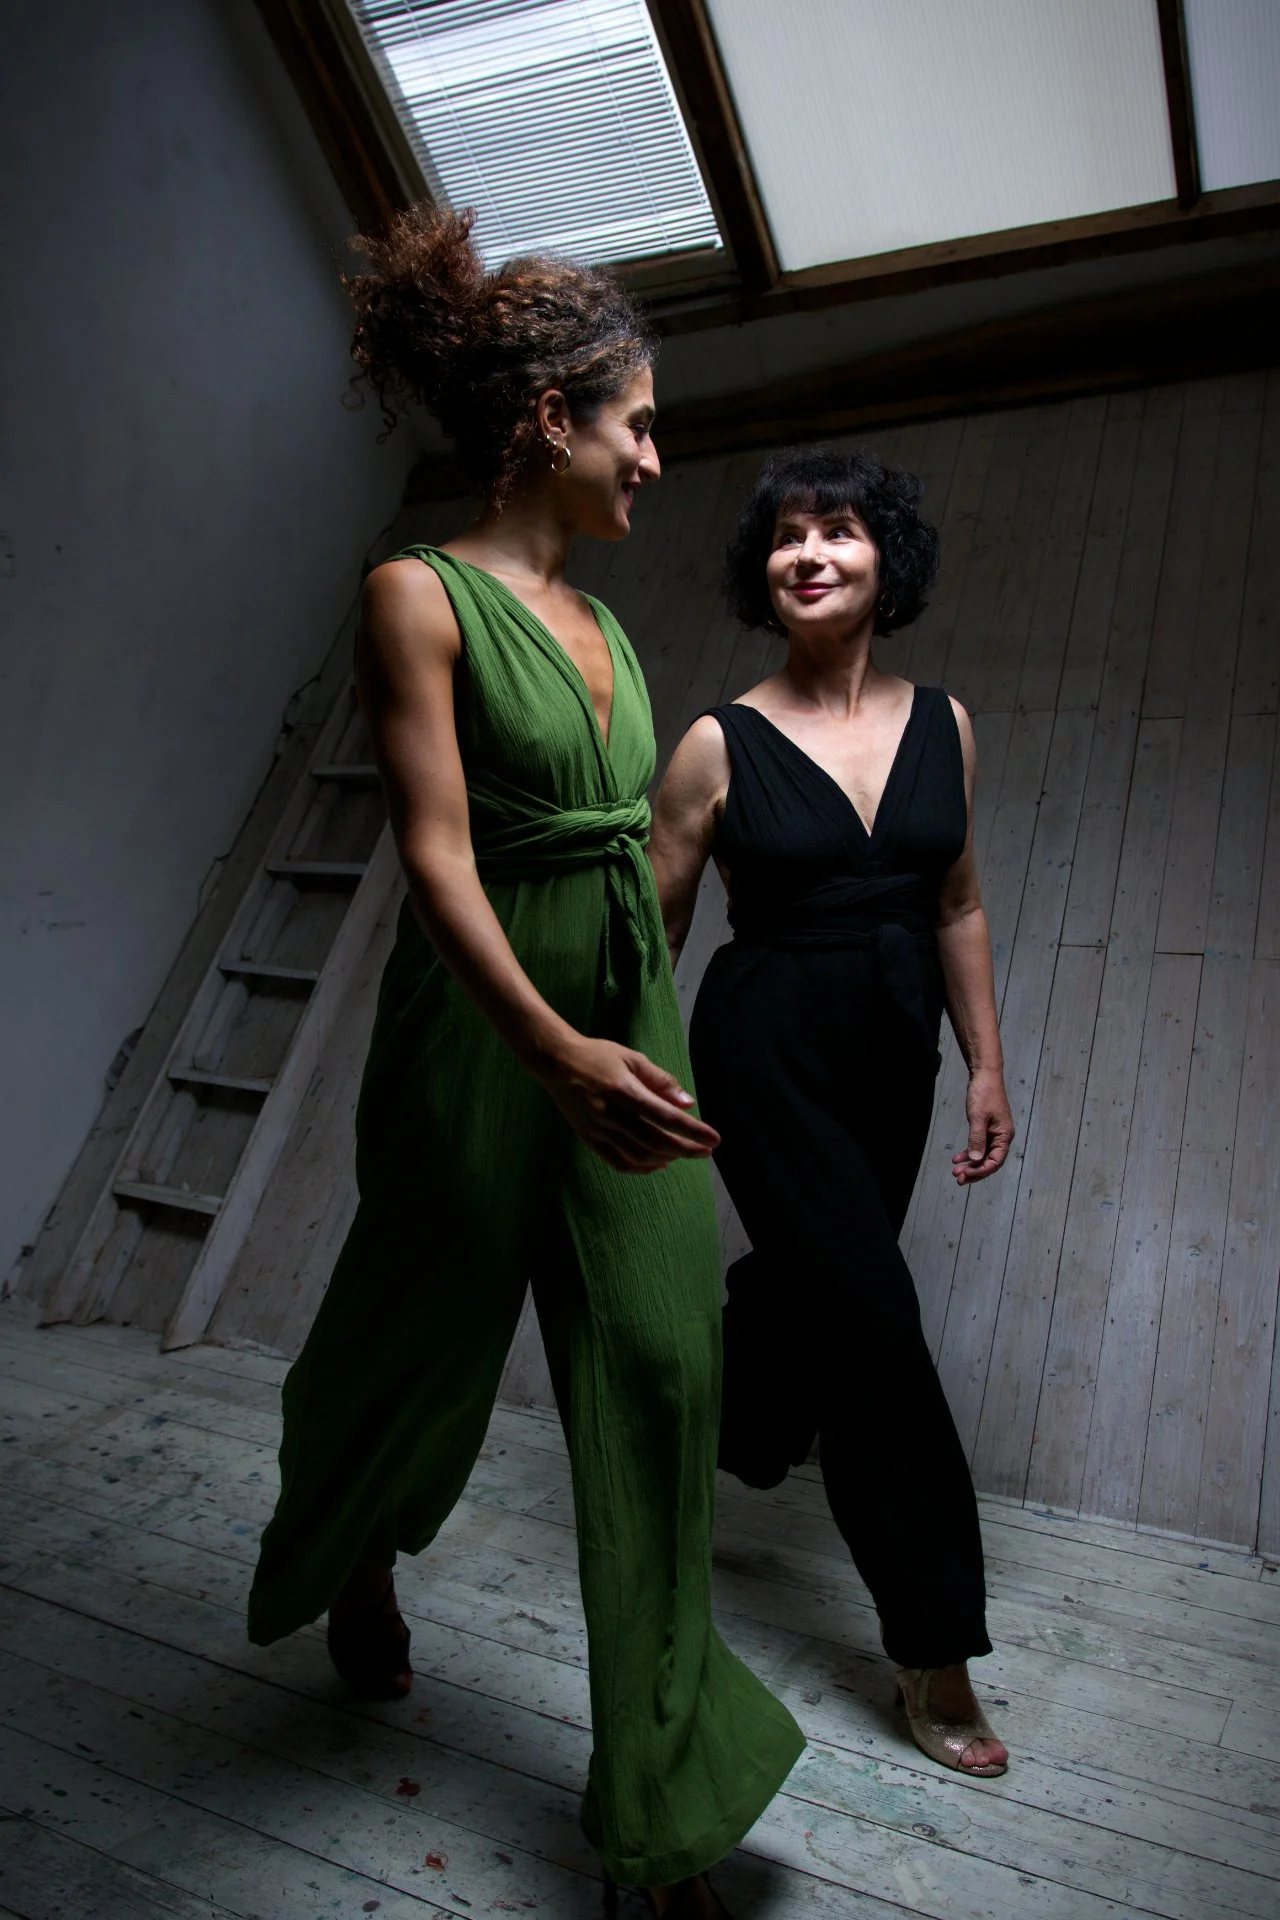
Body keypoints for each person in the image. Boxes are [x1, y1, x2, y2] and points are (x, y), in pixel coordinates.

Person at [246, 208, 803, 1917]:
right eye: (635, 417)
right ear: (547, 420)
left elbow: (638, 865)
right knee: (407, 1341)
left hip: (614, 1048)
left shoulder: (615, 634)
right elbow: (433, 856)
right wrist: (548, 1044)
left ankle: (661, 1794)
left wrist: (631, 1036)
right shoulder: (413, 595)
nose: (657, 448)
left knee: (660, 1374)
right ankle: (353, 1550)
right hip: (481, 1047)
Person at [649, 447, 1014, 1779]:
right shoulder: (716, 743)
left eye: (840, 532)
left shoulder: (948, 725)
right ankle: (936, 1650)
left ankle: (731, 1425)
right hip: (768, 1043)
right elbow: (656, 929)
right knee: (876, 1322)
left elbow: (957, 903)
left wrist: (982, 1061)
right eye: (787, 538)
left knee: (815, 1286)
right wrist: (617, 1077)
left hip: (898, 1049)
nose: (810, 553)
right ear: (765, 574)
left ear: (884, 563)